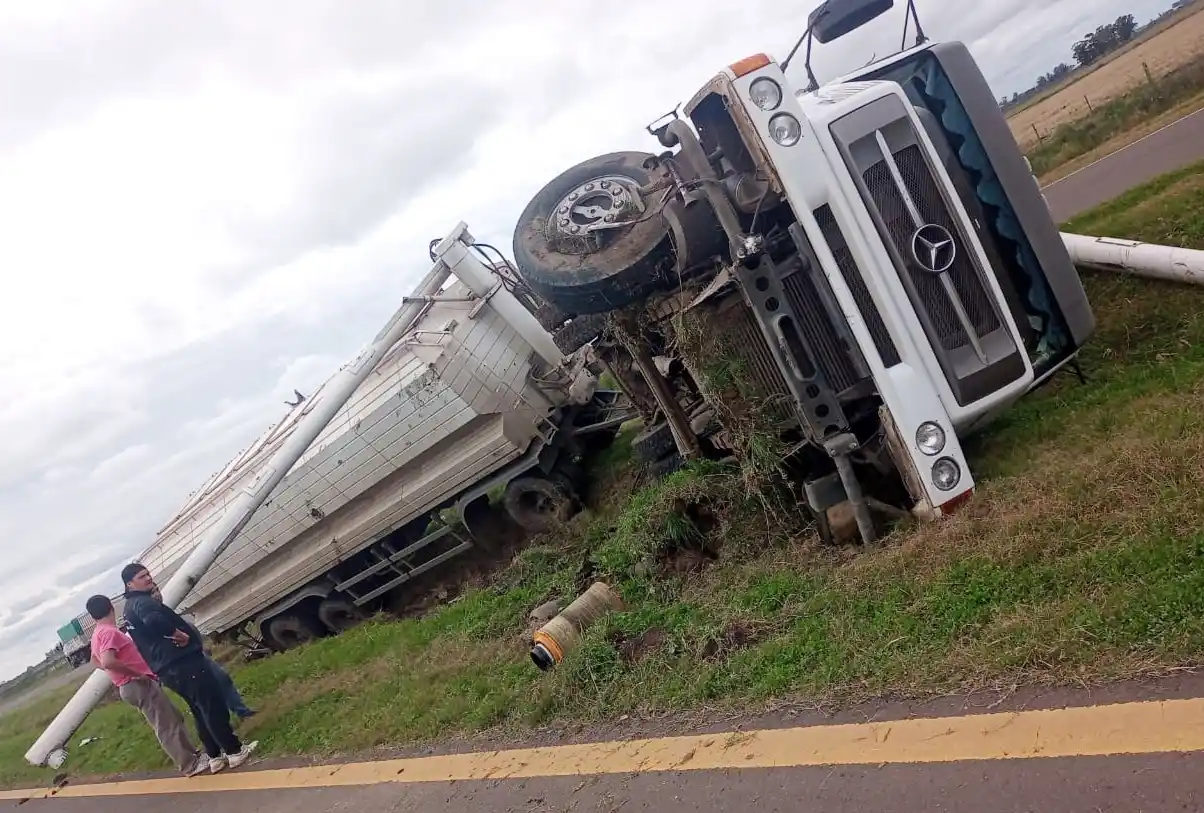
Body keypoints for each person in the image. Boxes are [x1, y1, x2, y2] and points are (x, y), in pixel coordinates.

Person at [120, 563, 258, 774]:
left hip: (168, 668)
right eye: (141, 576)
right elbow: (154, 620)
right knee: (212, 706)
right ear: (130, 584)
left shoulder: (129, 608)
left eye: (148, 573)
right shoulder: (142, 602)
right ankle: (234, 751)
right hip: (182, 662)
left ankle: (214, 756)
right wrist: (177, 633)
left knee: (199, 709)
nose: (148, 578)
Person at [84, 595, 209, 778]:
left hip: (130, 684)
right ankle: (189, 765)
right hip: (136, 683)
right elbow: (108, 661)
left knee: (173, 716)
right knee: (166, 724)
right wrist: (136, 673)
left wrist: (118, 674)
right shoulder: (109, 632)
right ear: (111, 607)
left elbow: (95, 661)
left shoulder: (98, 634)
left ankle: (191, 754)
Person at [150, 585, 256, 721]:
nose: (157, 594)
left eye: (157, 590)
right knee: (206, 695)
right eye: (152, 593)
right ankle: (222, 726)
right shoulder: (154, 618)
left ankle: (241, 712)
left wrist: (199, 645)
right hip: (183, 661)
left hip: (196, 652)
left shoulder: (165, 610)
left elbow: (189, 628)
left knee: (222, 678)